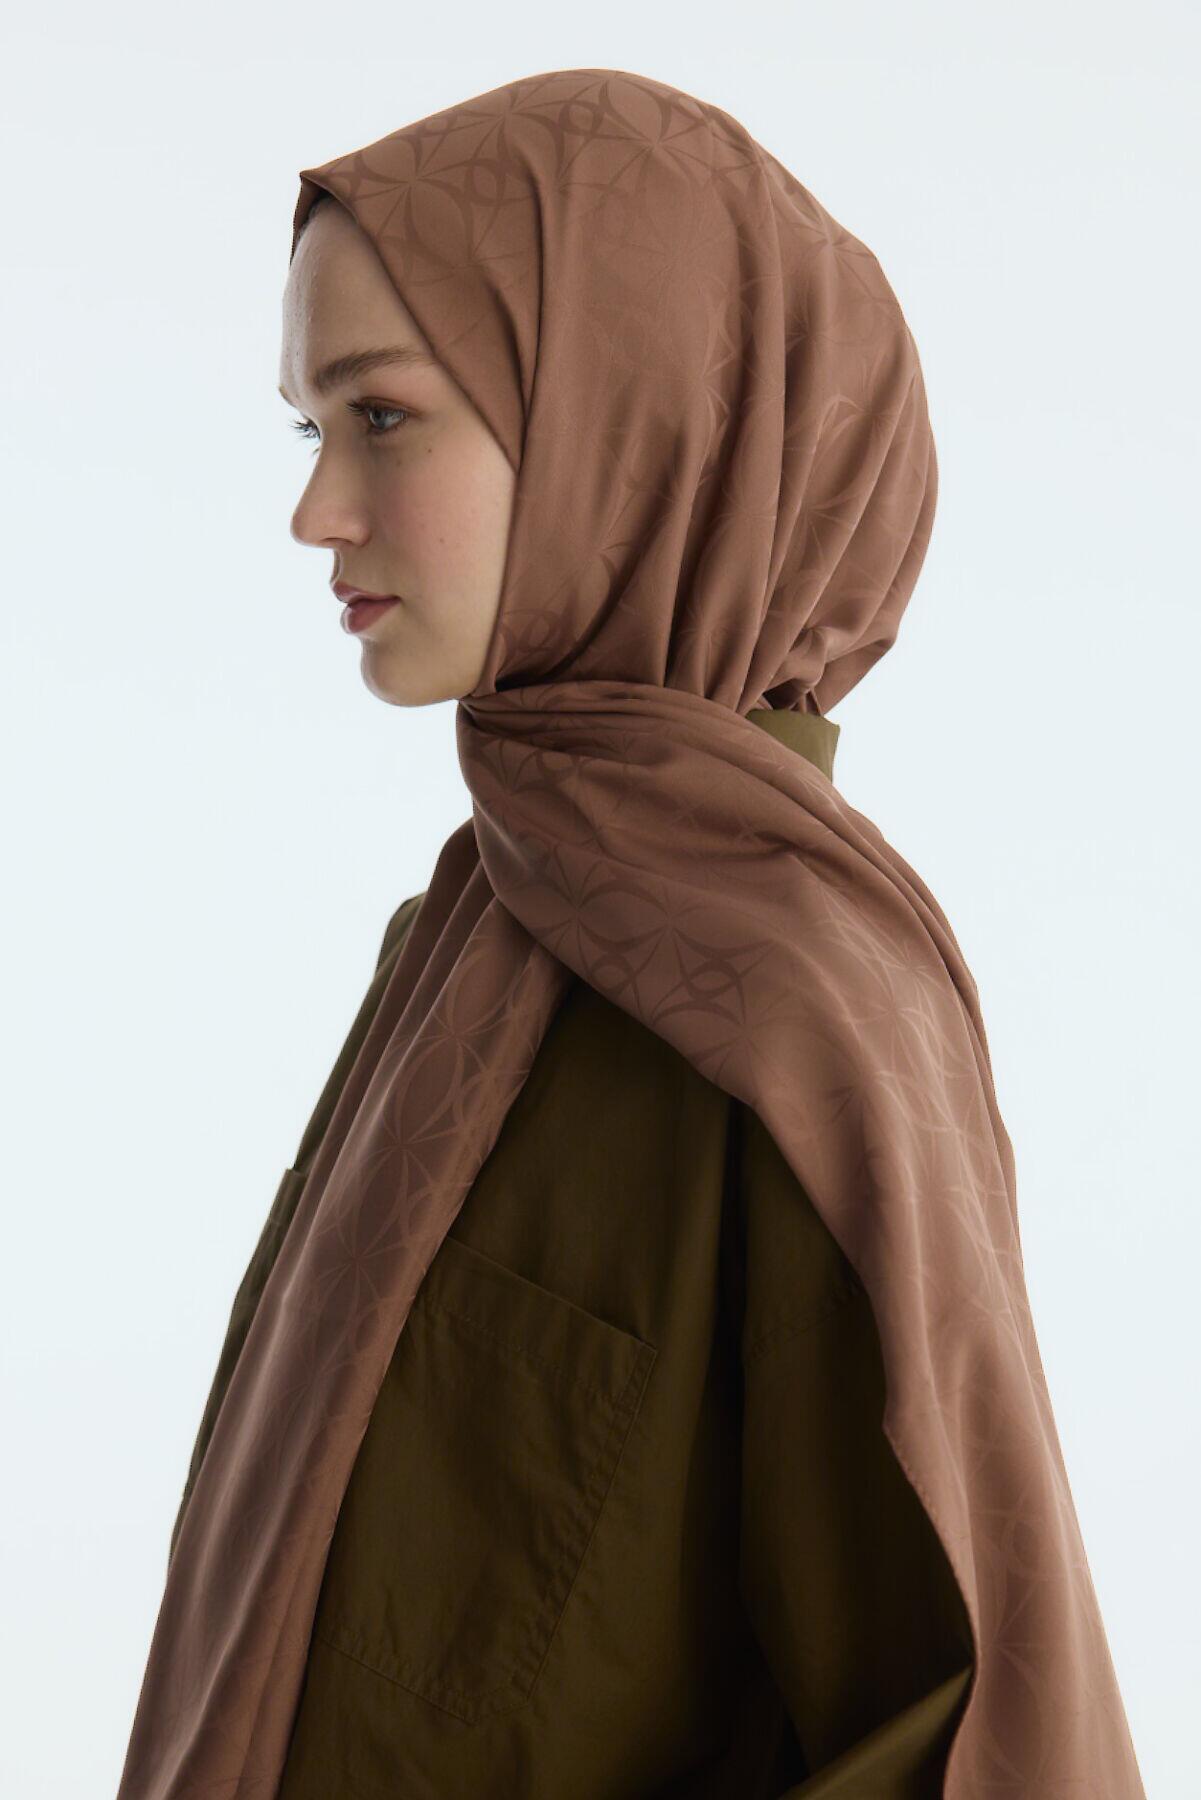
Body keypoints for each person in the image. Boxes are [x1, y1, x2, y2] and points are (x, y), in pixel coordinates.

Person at [116, 69, 1146, 1800]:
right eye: (310, 431)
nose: (316, 511)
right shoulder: (468, 936)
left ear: (635, 431)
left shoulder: (791, 1018)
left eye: (383, 416)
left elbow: (954, 1731)